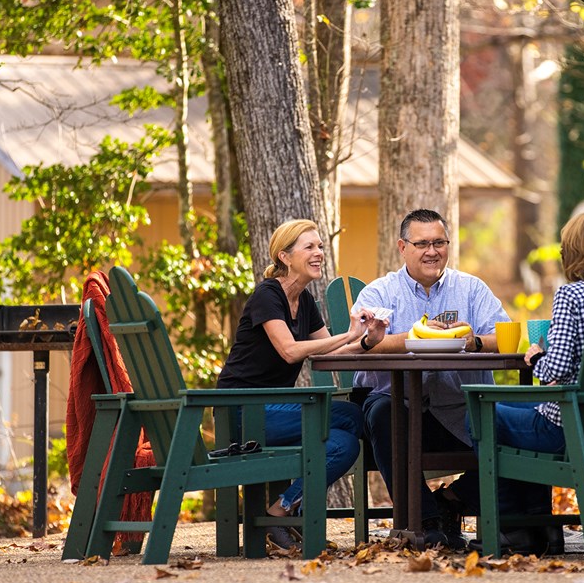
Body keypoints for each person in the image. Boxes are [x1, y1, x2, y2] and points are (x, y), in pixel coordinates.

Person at [468, 210, 584, 556]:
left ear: (575, 251)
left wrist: (537, 353)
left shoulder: (571, 296)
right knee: (511, 406)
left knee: (482, 414)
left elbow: (553, 372)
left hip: (572, 429)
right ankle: (542, 526)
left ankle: (515, 527)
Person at [217, 219, 388, 550]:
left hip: (273, 411)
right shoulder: (268, 295)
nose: (319, 253)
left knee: (344, 443)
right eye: (309, 247)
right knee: (352, 417)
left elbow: (336, 349)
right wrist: (350, 334)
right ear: (284, 256)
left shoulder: (304, 301)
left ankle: (281, 509)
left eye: (320, 246)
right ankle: (288, 513)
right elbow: (290, 350)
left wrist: (367, 340)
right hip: (242, 411)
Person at [353, 209, 510, 548]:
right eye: (421, 243)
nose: (432, 251)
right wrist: (414, 337)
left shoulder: (471, 289)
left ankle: (452, 501)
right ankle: (425, 521)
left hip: (460, 412)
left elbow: (507, 336)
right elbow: (361, 344)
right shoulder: (378, 294)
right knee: (381, 412)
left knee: (518, 423)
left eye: (439, 242)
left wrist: (474, 340)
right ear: (402, 247)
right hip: (400, 413)